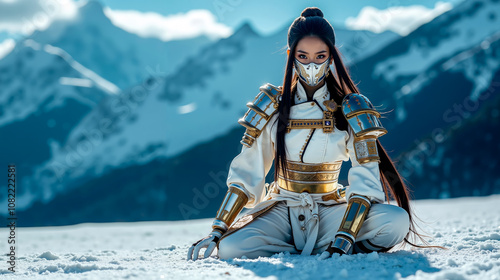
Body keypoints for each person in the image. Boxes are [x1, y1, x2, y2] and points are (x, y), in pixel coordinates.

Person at [187, 7, 419, 261]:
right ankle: (317, 247)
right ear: (290, 55)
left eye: (320, 56)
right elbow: (247, 173)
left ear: (331, 57)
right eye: (303, 56)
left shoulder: (351, 109)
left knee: (396, 221)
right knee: (232, 247)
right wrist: (218, 231)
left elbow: (366, 182)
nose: (311, 64)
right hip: (281, 208)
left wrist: (344, 238)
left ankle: (328, 245)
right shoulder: (271, 106)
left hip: (330, 209)